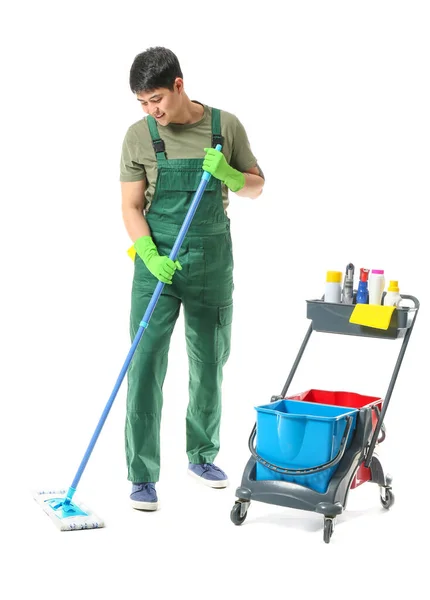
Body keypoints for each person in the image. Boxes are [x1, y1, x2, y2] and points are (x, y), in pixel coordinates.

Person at [120, 46, 265, 511]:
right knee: (144, 366)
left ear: (178, 85)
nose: (151, 110)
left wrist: (229, 174)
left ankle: (201, 455)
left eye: (156, 99)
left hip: (210, 263)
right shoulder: (138, 137)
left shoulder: (225, 126)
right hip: (156, 266)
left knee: (209, 363)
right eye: (142, 102)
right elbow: (130, 206)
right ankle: (142, 474)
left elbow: (257, 185)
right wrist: (146, 251)